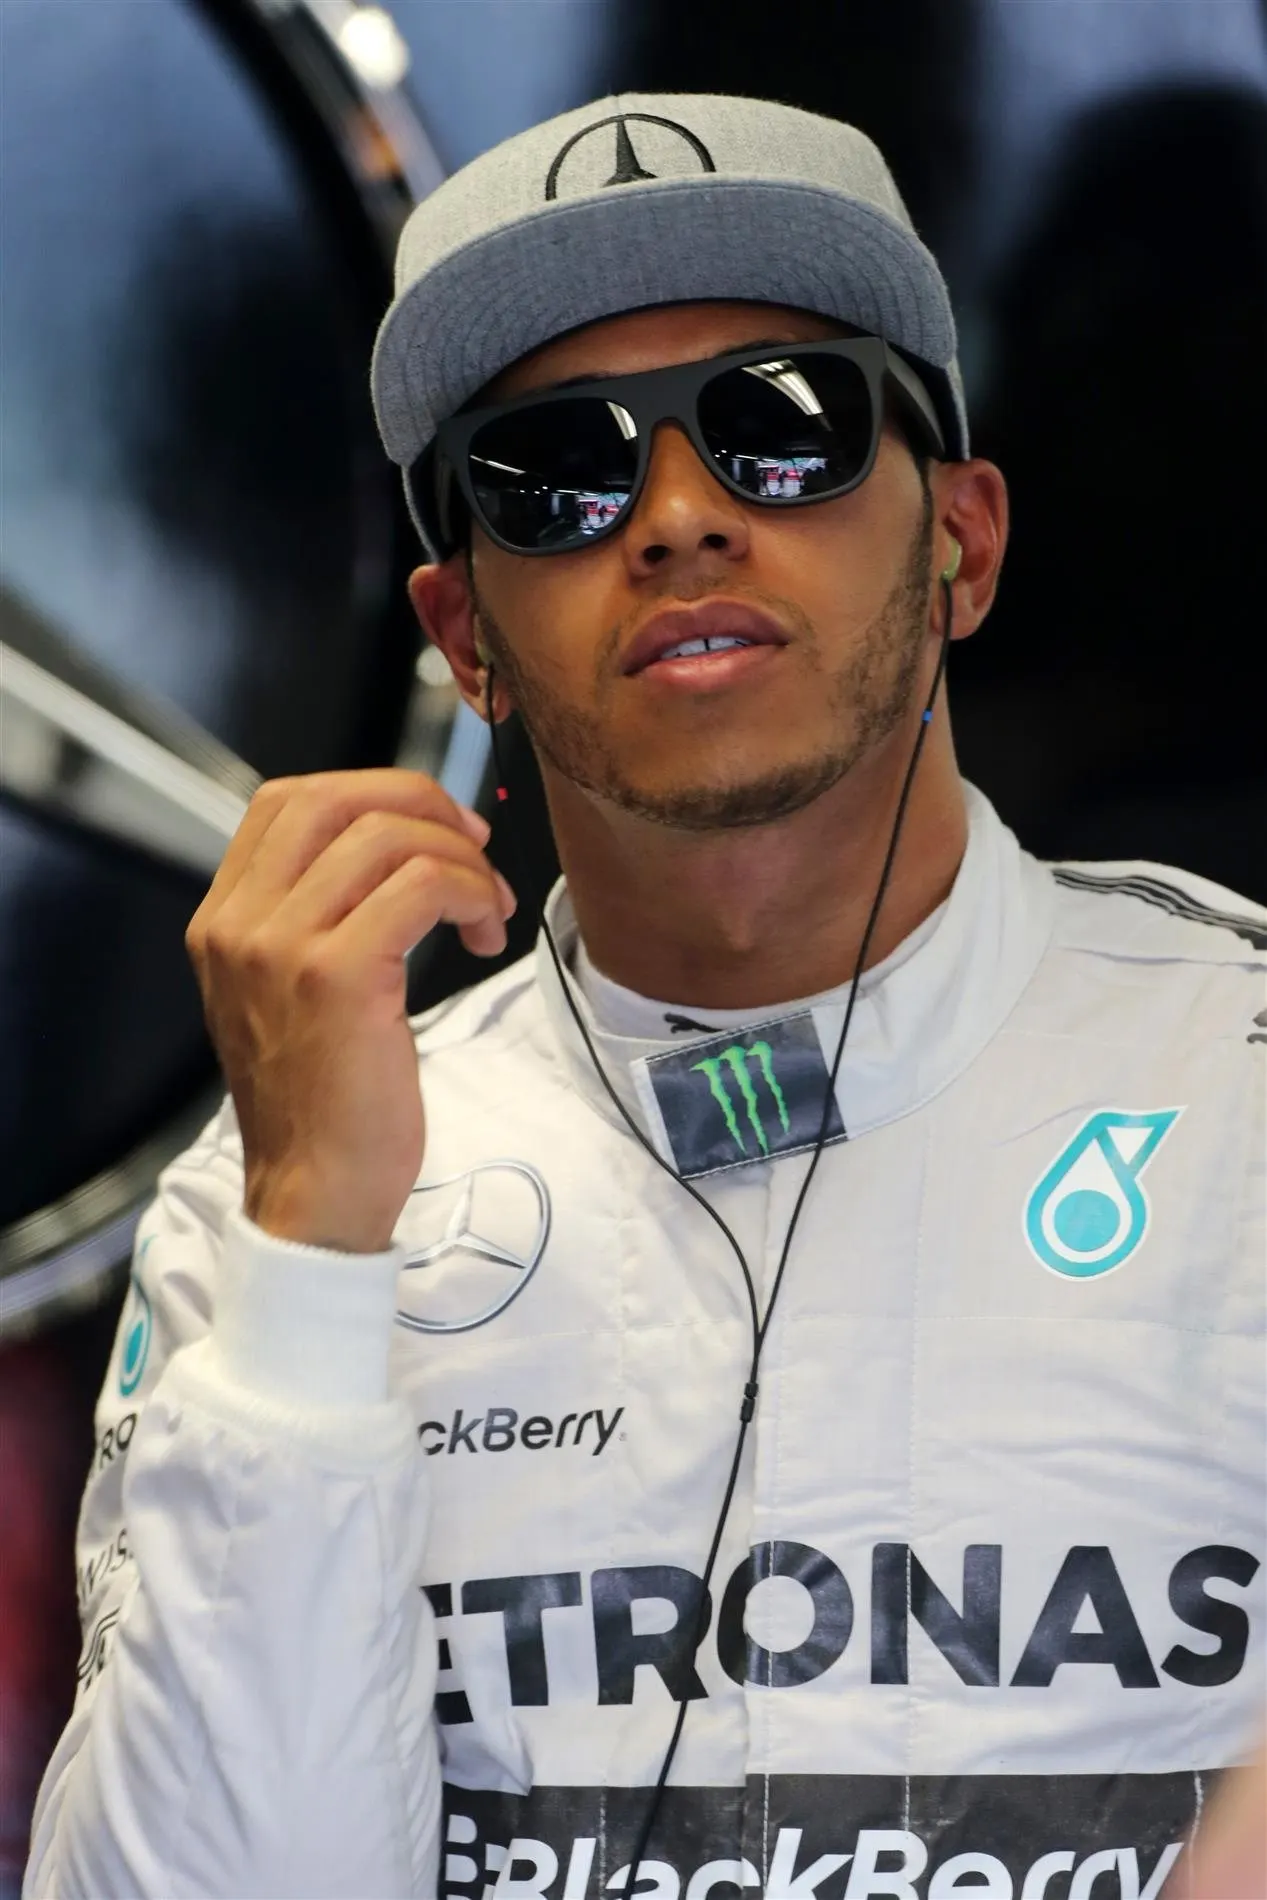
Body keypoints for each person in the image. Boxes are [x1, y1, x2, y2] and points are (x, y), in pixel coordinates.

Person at [24, 93, 1265, 1900]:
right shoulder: (277, 1200)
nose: (676, 516)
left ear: (964, 547)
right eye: (557, 471)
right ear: (465, 644)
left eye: (786, 428)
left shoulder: (1235, 1074)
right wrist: (311, 1256)